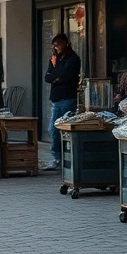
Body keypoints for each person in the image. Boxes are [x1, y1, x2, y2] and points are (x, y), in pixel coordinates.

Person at [41, 33, 80, 170]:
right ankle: (57, 157)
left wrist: (57, 77)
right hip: (56, 99)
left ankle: (67, 156)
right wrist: (56, 77)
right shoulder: (54, 58)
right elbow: (48, 76)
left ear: (65, 44)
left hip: (68, 98)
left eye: (57, 45)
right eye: (54, 45)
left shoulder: (73, 59)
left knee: (66, 129)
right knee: (53, 129)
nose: (55, 48)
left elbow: (66, 75)